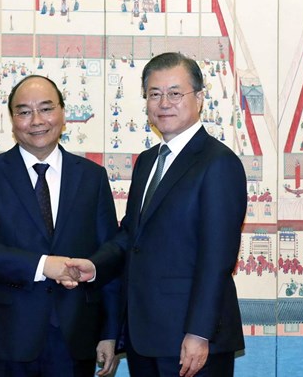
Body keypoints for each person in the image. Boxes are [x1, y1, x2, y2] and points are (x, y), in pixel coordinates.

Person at [66, 52, 247, 376]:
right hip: (144, 337)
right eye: (154, 94)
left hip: (190, 342)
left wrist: (199, 332)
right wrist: (94, 265)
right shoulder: (148, 161)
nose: (164, 103)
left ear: (200, 98)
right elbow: (130, 236)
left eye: (175, 93)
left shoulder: (218, 163)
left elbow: (217, 258)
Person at [0, 74, 120, 377]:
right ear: (12, 119)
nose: (36, 120)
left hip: (75, 339)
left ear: (62, 114)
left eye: (46, 109)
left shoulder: (92, 177)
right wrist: (44, 265)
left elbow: (109, 257)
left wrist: (110, 331)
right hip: (4, 338)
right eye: (24, 111)